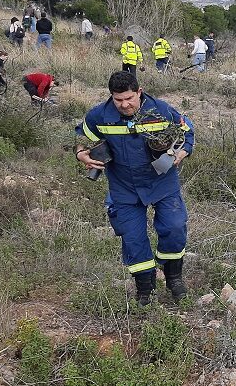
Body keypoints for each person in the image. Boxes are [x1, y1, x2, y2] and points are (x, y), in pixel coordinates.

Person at [74, 71, 194, 305]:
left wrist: (182, 151)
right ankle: (144, 288)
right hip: (124, 187)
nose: (124, 104)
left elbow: (187, 132)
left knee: (174, 226)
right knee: (133, 238)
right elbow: (81, 137)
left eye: (129, 98)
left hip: (162, 182)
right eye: (118, 100)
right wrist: (82, 154)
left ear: (139, 92)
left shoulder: (161, 110)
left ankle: (173, 277)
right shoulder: (99, 115)